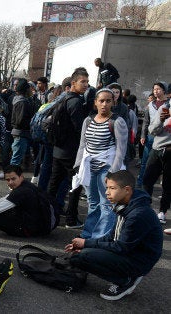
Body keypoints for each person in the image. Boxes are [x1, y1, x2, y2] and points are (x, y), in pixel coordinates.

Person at [66, 170, 162, 301]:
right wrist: (84, 243)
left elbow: (121, 247)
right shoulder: (124, 205)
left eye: (112, 188)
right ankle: (124, 274)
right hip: (129, 252)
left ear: (127, 189)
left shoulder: (138, 214)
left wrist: (86, 244)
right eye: (107, 188)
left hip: (139, 260)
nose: (107, 192)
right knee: (77, 256)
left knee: (83, 256)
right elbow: (111, 236)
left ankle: (126, 280)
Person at [73, 88, 128, 239]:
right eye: (101, 101)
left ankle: (100, 237)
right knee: (92, 202)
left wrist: (112, 173)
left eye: (108, 101)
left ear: (113, 102)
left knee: (106, 204)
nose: (104, 104)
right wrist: (78, 166)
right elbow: (82, 144)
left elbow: (121, 150)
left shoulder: (117, 121)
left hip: (107, 167)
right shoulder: (88, 120)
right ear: (95, 102)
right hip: (89, 167)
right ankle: (88, 234)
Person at [47, 68, 90, 229]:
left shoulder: (64, 98)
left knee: (54, 184)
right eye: (82, 82)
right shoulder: (76, 102)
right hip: (70, 151)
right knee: (76, 185)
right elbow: (80, 128)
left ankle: (48, 213)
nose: (86, 85)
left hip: (58, 149)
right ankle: (71, 219)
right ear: (73, 83)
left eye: (87, 81)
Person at [142, 82, 171, 224]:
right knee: (147, 179)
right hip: (158, 148)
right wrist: (162, 120)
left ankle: (162, 212)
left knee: (168, 184)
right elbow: (152, 130)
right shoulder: (166, 109)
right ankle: (145, 209)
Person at [137, 83, 168, 189]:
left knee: (162, 164)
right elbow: (146, 121)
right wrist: (143, 135)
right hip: (150, 136)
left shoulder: (168, 104)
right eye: (154, 89)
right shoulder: (151, 105)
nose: (155, 91)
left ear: (164, 90)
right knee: (145, 161)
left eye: (158, 89)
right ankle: (140, 183)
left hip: (163, 138)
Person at [10, 78, 35, 167]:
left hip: (19, 132)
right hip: (21, 133)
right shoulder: (22, 102)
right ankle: (12, 177)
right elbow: (20, 120)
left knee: (16, 157)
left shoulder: (18, 100)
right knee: (16, 159)